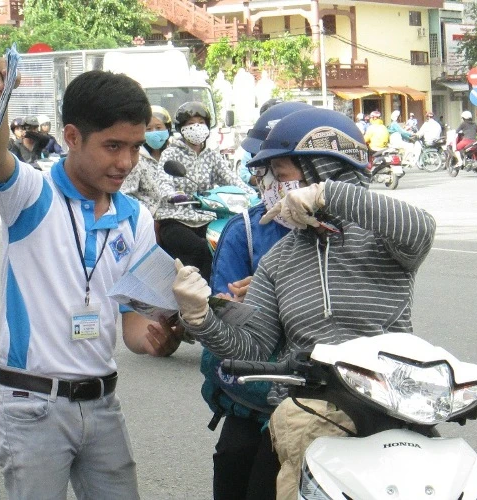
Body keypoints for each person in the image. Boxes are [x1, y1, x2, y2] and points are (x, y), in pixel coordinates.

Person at [171, 107, 436, 500]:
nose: (273, 187)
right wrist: (199, 317)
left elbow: (420, 227)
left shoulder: (384, 241)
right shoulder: (279, 258)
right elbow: (254, 347)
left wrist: (328, 195)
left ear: (322, 169)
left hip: (392, 406)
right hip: (306, 411)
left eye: (282, 175)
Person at [0, 59, 185, 500]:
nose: (126, 162)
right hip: (32, 407)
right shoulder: (32, 195)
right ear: (72, 137)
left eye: (135, 146)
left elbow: (133, 322)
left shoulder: (135, 218)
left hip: (103, 406)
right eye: (113, 146)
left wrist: (156, 340)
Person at [204, 101, 309, 500]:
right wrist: (248, 305)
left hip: (332, 390)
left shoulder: (352, 230)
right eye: (265, 170)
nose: (269, 181)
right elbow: (221, 321)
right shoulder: (244, 232)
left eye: (281, 170)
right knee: (237, 457)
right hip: (259, 391)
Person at [156, 101, 253, 281]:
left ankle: (214, 289)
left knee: (221, 244)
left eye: (201, 122)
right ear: (181, 128)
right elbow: (163, 181)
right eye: (191, 124)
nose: (196, 127)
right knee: (199, 247)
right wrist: (173, 195)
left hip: (205, 216)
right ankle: (186, 288)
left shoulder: (211, 154)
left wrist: (253, 195)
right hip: (176, 218)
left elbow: (231, 179)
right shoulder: (171, 154)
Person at [120, 105, 171, 215]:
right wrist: (149, 213)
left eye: (158, 128)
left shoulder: (175, 156)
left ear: (168, 129)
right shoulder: (137, 159)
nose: (154, 133)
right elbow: (125, 195)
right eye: (149, 129)